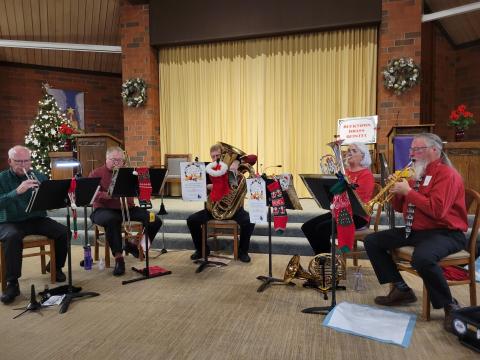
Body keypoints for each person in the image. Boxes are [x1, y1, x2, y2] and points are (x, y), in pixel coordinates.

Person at [364, 133, 467, 333]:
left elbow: (437, 210)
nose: (412, 154)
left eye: (418, 149)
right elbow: (401, 209)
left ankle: (450, 305)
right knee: (372, 241)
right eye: (412, 149)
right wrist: (396, 191)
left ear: (435, 150)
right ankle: (401, 289)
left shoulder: (446, 174)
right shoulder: (418, 174)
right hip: (418, 230)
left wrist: (408, 192)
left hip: (446, 232)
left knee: (422, 258)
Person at [0, 146, 68, 304]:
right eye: (18, 161)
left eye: (26, 161)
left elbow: (51, 204)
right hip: (9, 221)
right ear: (10, 161)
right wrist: (16, 192)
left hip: (35, 219)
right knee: (12, 236)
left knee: (63, 232)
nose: (23, 165)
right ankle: (12, 283)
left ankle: (55, 267)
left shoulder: (38, 175)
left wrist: (47, 196)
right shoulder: (2, 178)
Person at [89, 146, 162, 276]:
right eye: (114, 160)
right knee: (113, 220)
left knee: (155, 220)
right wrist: (108, 194)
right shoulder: (96, 173)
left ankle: (136, 245)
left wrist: (144, 189)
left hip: (128, 208)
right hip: (104, 209)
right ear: (107, 159)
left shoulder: (130, 173)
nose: (117, 163)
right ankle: (119, 258)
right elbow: (91, 193)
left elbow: (140, 190)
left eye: (120, 160)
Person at [301, 142, 375, 254]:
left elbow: (357, 200)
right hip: (339, 211)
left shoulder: (366, 175)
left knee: (322, 229)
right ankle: (324, 257)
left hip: (357, 215)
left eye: (354, 151)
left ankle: (325, 261)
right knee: (307, 227)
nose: (349, 153)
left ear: (363, 156)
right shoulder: (344, 173)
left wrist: (342, 186)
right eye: (349, 150)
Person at [187, 143, 255, 263]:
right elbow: (198, 187)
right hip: (212, 209)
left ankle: (242, 251)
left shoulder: (232, 169)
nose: (215, 158)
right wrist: (208, 186)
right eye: (212, 156)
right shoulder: (208, 171)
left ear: (223, 155)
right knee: (191, 220)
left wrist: (238, 161)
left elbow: (253, 158)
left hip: (233, 210)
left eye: (218, 155)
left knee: (250, 221)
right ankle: (202, 249)